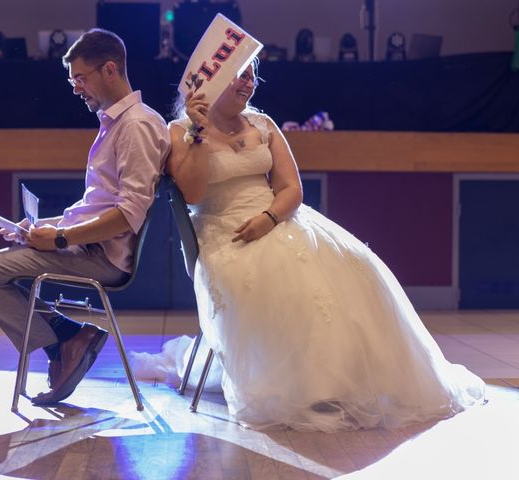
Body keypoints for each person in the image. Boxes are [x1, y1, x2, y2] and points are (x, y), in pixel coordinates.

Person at [161, 60, 485, 431]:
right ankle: (303, 386)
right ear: (214, 78)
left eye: (253, 75)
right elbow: (194, 193)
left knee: (355, 264)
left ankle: (348, 382)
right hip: (224, 232)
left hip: (275, 217)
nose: (248, 83)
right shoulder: (180, 131)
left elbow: (291, 190)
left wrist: (269, 218)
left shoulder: (263, 125)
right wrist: (198, 132)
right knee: (280, 275)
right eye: (240, 74)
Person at [0, 29, 170, 406]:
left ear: (110, 69)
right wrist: (49, 227)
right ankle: (69, 337)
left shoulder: (136, 126)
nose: (76, 89)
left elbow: (129, 214)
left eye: (80, 78)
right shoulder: (118, 123)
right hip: (88, 246)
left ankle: (66, 340)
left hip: (102, 258)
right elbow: (100, 207)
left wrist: (59, 239)